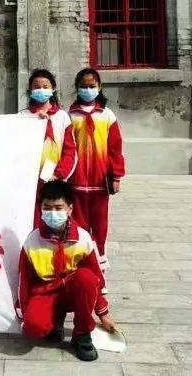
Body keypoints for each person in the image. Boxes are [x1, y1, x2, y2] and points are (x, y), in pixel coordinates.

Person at [18, 179, 117, 362]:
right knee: (34, 327)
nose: (52, 213)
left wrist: (103, 313)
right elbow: (24, 283)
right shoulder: (32, 242)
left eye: (58, 207)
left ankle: (81, 335)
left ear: (70, 209)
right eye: (47, 208)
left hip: (74, 291)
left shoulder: (83, 239)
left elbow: (96, 278)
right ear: (40, 208)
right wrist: (24, 312)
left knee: (86, 278)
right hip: (46, 292)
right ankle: (55, 320)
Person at [67, 68, 125, 267]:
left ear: (99, 88)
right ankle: (82, 264)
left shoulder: (107, 115)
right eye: (84, 86)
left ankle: (100, 266)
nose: (88, 89)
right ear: (77, 88)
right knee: (79, 226)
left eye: (92, 86)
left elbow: (115, 148)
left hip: (100, 182)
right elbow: (65, 147)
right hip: (76, 181)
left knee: (100, 226)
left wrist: (116, 176)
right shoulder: (70, 116)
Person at [20, 69, 77, 223]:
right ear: (30, 90)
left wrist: (58, 174)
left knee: (53, 218)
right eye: (36, 86)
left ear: (53, 89)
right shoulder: (22, 116)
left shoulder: (62, 117)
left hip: (55, 179)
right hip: (30, 181)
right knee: (31, 220)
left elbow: (70, 151)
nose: (41, 90)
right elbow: (17, 149)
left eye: (45, 86)